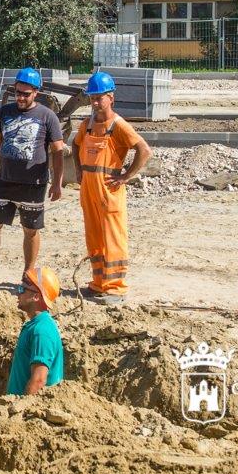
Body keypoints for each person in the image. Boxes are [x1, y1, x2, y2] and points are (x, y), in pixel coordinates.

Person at [0, 67, 65, 291]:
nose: (20, 97)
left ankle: (28, 276)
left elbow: (58, 151)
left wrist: (57, 183)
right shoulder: (5, 112)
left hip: (34, 184)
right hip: (5, 181)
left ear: (35, 93)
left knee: (30, 230)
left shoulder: (47, 117)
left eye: (25, 94)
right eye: (18, 92)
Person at [73, 71, 153, 304]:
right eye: (92, 98)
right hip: (89, 187)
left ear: (111, 98)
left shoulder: (118, 125)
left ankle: (116, 287)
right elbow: (76, 145)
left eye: (99, 98)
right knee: (95, 236)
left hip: (109, 189)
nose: (95, 103)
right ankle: (99, 283)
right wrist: (79, 171)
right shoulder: (86, 125)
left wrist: (126, 176)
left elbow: (144, 150)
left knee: (113, 237)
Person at [7, 264, 63, 395]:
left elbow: (38, 380)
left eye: (22, 289)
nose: (17, 293)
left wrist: (19, 410)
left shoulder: (42, 331)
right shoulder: (36, 325)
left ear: (36, 296)